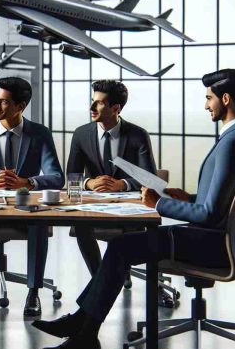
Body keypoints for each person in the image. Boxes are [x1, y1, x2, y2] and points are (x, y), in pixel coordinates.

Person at [34, 69, 235, 349]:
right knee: (124, 247)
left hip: (212, 244)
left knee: (121, 248)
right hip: (231, 241)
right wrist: (189, 197)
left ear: (226, 98)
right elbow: (223, 203)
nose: (206, 105)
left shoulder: (232, 142)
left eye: (209, 98)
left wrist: (158, 204)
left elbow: (208, 214)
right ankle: (82, 325)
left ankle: (85, 333)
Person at [0, 77, 64, 318]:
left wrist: (27, 182)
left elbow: (57, 177)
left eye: (4, 102)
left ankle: (33, 293)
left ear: (21, 106)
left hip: (24, 208)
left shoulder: (40, 134)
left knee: (38, 222)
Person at [66, 80, 173, 307]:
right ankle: (100, 282)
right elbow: (71, 178)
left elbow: (149, 179)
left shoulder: (137, 135)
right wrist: (89, 183)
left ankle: (143, 284)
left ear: (116, 109)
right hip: (92, 207)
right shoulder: (81, 134)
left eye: (99, 103)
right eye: (92, 101)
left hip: (129, 209)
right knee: (79, 224)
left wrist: (121, 184)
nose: (92, 108)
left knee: (136, 232)